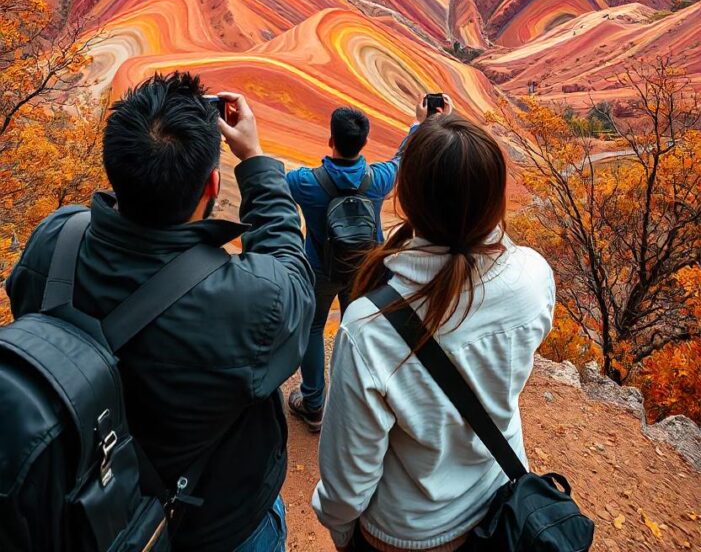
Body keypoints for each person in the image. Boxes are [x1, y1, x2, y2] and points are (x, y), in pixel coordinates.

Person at [7, 71, 315, 552]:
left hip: (85, 510)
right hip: (212, 527)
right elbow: (294, 278)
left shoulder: (54, 240)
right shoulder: (249, 303)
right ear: (212, 185)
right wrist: (255, 161)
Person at [312, 110, 555, 552]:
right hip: (500, 501)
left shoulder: (367, 328)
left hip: (408, 533)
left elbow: (347, 486)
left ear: (406, 199)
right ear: (494, 197)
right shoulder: (534, 276)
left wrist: (346, 536)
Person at [286, 102, 427, 431]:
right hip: (364, 269)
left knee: (312, 329)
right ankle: (352, 403)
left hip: (320, 269)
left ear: (330, 140)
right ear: (364, 143)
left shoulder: (306, 182)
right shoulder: (378, 180)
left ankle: (314, 405)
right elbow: (402, 160)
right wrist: (418, 125)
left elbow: (271, 177)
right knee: (358, 332)